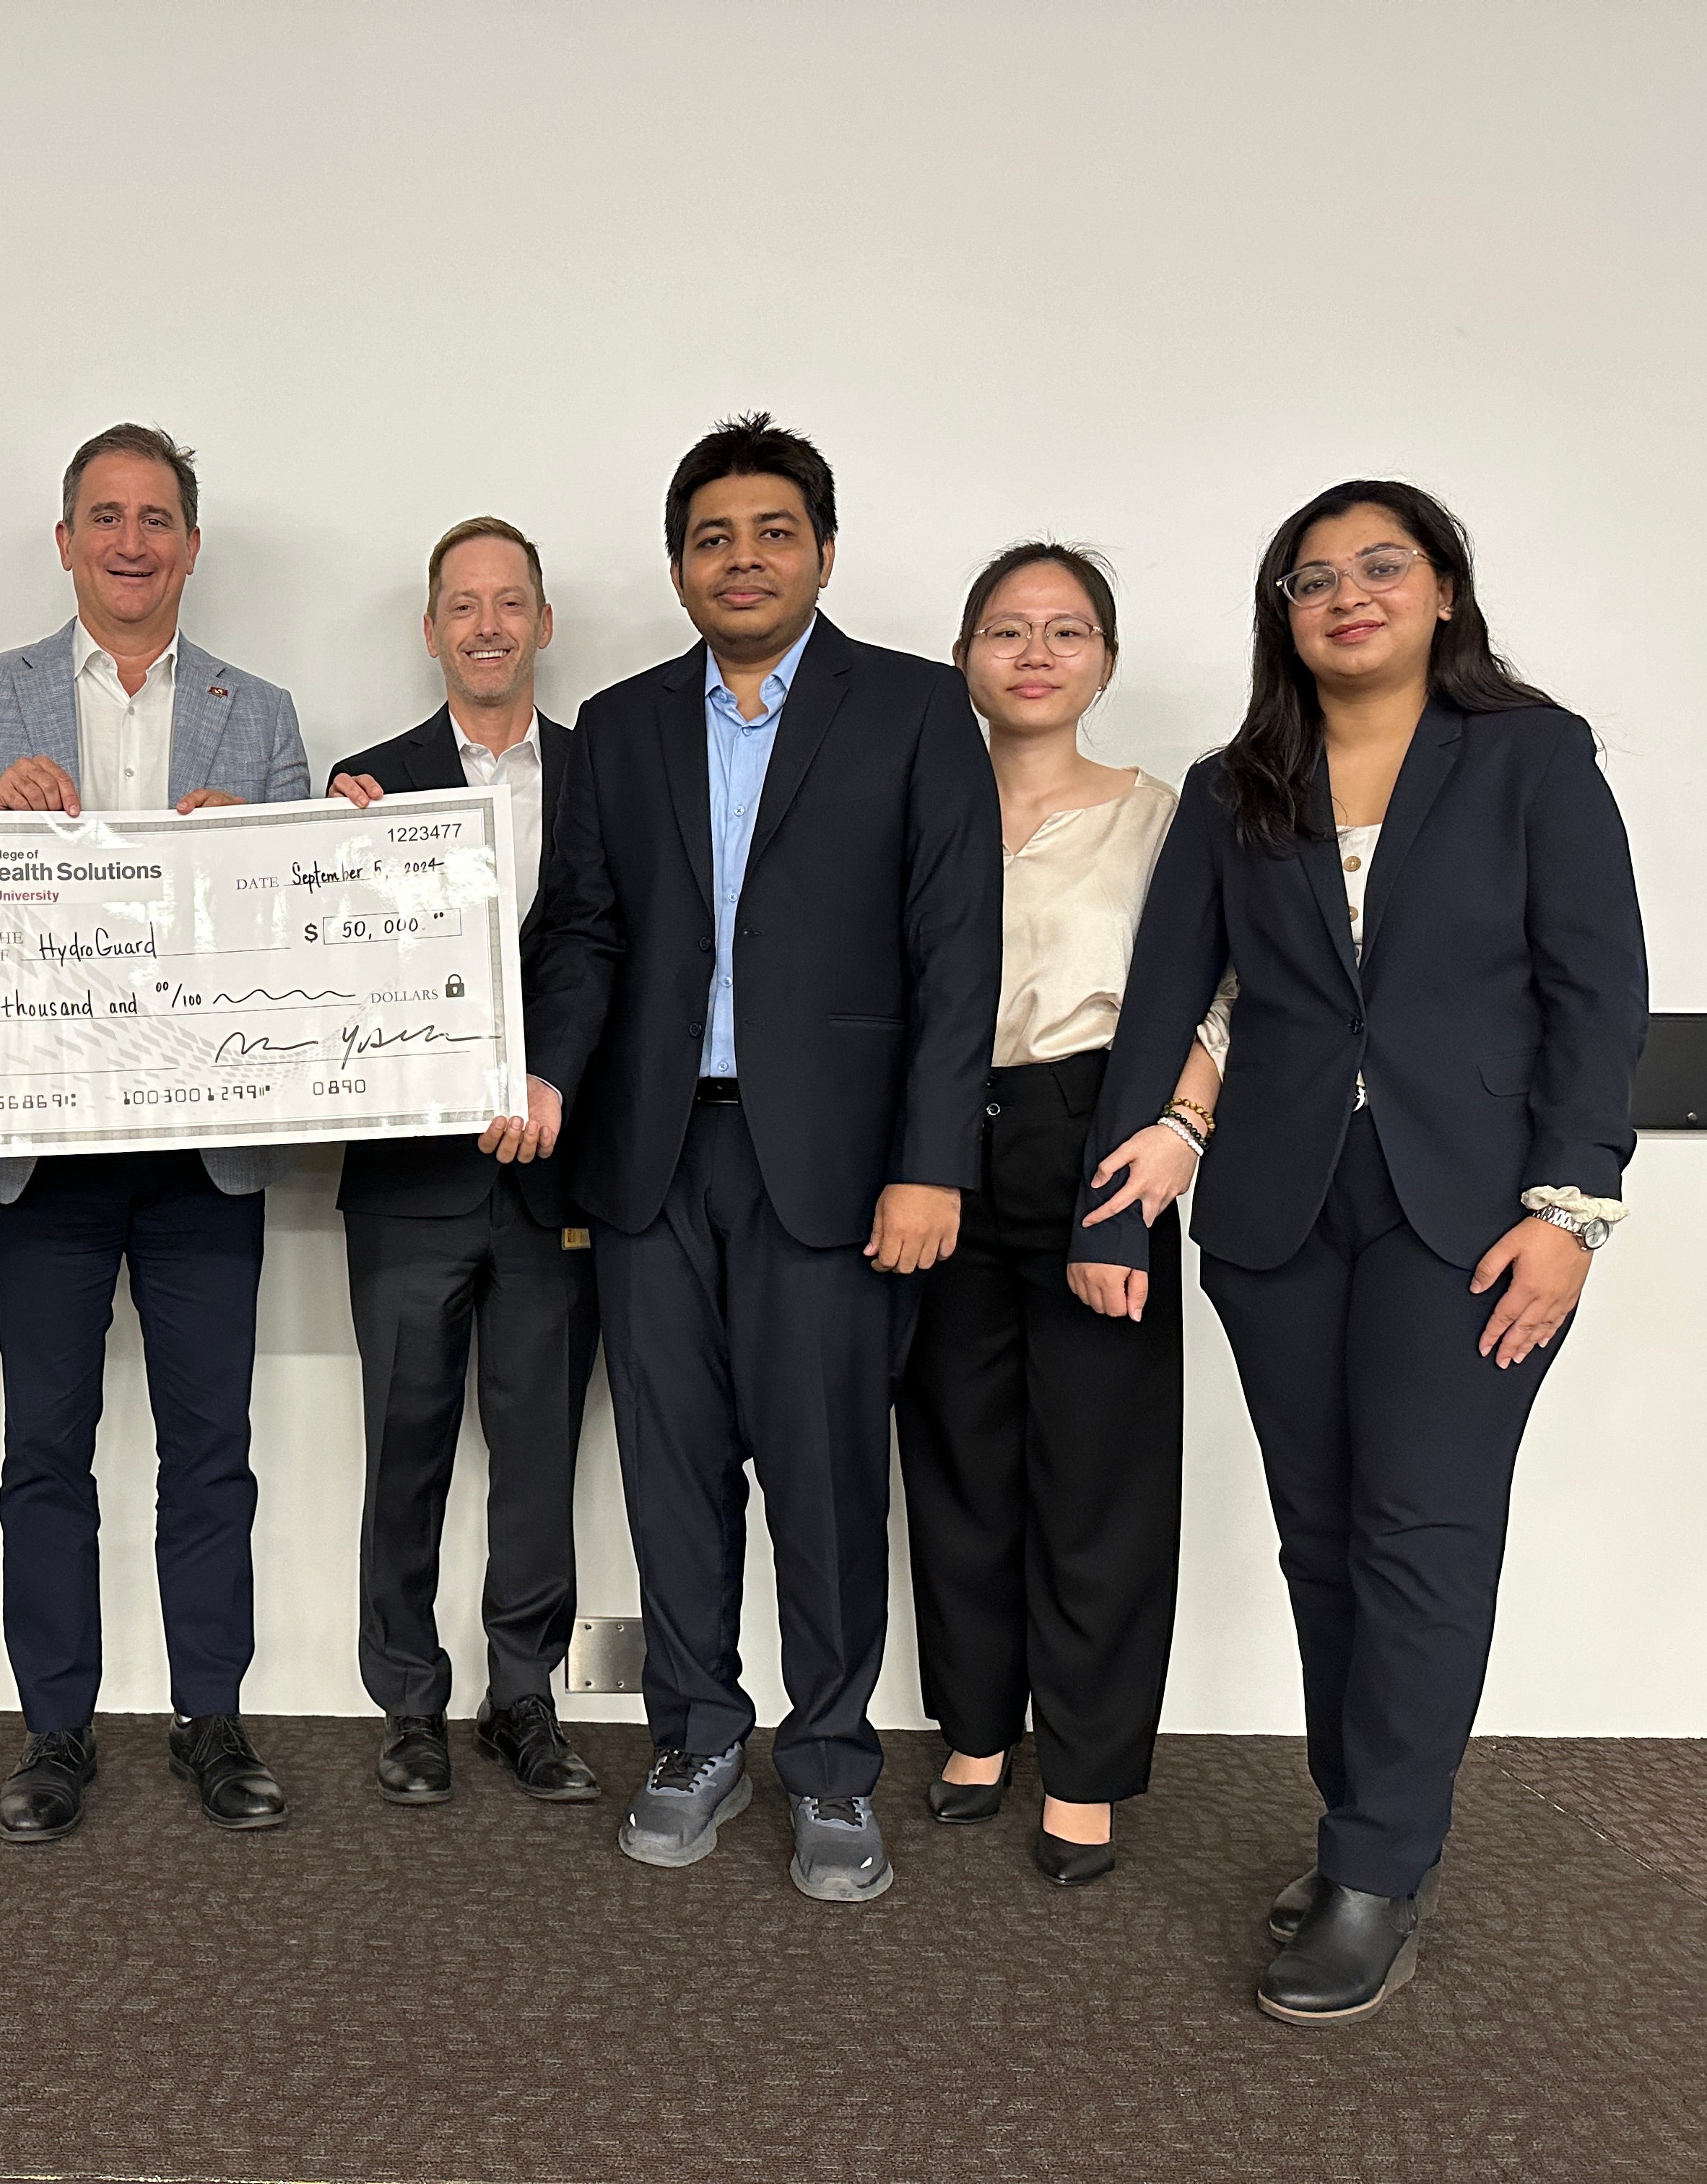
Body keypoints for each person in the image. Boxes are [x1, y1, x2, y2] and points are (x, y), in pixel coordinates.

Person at [1074, 480, 1646, 2022]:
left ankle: (1382, 1863)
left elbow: (1599, 997)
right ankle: (1365, 1831)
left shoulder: (1531, 756)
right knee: (1322, 1541)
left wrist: (1572, 1211)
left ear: (1445, 592)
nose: (1347, 595)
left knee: (1422, 1535)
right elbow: (1168, 992)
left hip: (1474, 1220)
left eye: (1381, 567)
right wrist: (1117, 1208)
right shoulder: (1235, 783)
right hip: (1276, 1215)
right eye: (1312, 577)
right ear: (1284, 614)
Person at [496, 415, 1002, 1900]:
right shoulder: (629, 724)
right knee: (670, 1472)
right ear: (676, 566)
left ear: (824, 554)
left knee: (830, 1478)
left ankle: (835, 1764)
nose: (742, 558)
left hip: (842, 1176)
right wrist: (544, 1067)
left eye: (773, 532)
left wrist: (932, 1165)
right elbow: (586, 931)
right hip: (657, 1161)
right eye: (712, 537)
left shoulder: (914, 713)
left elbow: (952, 951)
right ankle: (698, 1736)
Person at [0, 422, 310, 1842]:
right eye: (105, 516)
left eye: (157, 518)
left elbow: (304, 931)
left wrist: (246, 852)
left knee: (212, 1445)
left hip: (207, 1151)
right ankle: (56, 1731)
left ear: (191, 545)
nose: (132, 541)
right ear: (65, 539)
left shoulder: (258, 715)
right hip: (44, 1152)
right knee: (48, 1447)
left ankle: (214, 1719)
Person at [893, 543, 1228, 1888]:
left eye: (1067, 630)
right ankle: (977, 1731)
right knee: (957, 1454)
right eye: (1006, 630)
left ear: (1104, 659)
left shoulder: (1162, 815)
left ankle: (1085, 1766)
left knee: (1099, 1471)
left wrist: (1176, 1137)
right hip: (933, 1144)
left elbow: (1227, 992)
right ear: (965, 655)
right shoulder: (918, 801)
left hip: (1100, 1139)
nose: (1035, 653)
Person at [326, 518, 601, 1807]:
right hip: (409, 1184)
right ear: (431, 630)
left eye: (512, 604)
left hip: (556, 1175)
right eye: (463, 606)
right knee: (406, 1446)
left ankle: (525, 1698)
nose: (489, 626)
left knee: (539, 1450)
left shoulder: (609, 773)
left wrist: (556, 1080)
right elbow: (316, 965)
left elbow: (609, 945)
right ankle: (409, 1701)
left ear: (543, 624)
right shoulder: (363, 785)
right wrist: (320, 861)